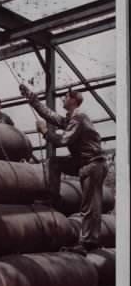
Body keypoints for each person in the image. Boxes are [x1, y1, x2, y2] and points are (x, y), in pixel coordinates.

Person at [19, 84, 108, 256]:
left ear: (73, 100)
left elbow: (63, 141)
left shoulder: (79, 117)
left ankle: (88, 242)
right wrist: (32, 99)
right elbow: (51, 116)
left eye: (65, 96)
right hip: (81, 162)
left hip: (93, 164)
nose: (62, 99)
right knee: (53, 162)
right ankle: (53, 197)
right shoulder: (70, 119)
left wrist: (45, 133)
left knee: (90, 205)